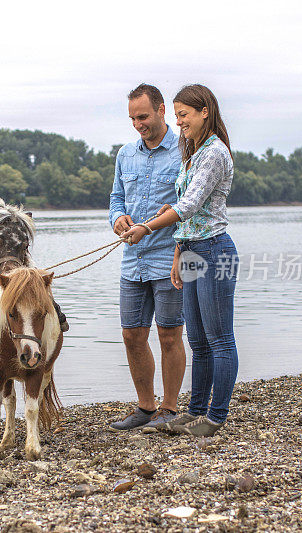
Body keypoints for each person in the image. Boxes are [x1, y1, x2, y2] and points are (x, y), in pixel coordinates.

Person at [121, 84, 239, 437]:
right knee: (199, 342)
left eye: (183, 115)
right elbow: (186, 212)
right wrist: (177, 252)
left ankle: (215, 417)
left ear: (205, 112)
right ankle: (194, 412)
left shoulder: (215, 153)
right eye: (176, 116)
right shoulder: (195, 151)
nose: (179, 122)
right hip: (190, 250)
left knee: (220, 340)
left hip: (215, 250)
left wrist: (147, 226)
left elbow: (188, 205)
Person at [107, 84, 186, 431]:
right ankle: (144, 406)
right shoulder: (125, 154)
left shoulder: (186, 150)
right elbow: (115, 198)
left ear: (161, 110)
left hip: (170, 258)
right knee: (131, 335)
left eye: (143, 116)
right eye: (133, 118)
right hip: (132, 260)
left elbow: (189, 208)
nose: (138, 124)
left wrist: (152, 231)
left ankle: (169, 409)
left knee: (169, 335)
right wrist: (117, 219)